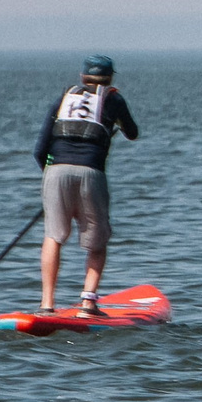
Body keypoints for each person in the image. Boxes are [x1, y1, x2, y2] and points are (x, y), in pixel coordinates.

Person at [31, 54, 139, 312]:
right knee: (97, 242)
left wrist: (51, 179)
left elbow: (39, 150)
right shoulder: (113, 99)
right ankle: (88, 302)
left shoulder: (63, 98)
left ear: (82, 77)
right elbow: (132, 133)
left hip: (55, 171)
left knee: (53, 237)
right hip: (91, 173)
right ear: (110, 78)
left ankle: (47, 304)